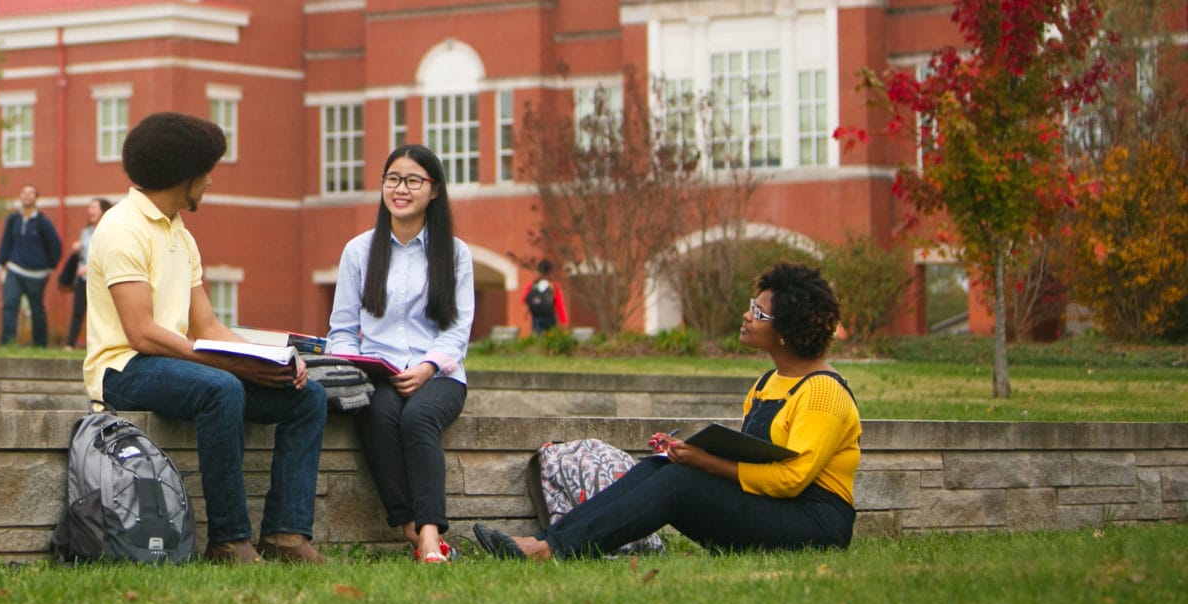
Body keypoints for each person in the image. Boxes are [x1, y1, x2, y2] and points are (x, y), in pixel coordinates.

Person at [473, 260, 860, 562]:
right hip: (772, 510)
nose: (746, 316)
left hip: (815, 524)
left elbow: (792, 479)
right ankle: (547, 542)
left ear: (788, 330)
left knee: (680, 481)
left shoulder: (823, 392)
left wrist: (704, 462)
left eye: (759, 314)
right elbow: (756, 458)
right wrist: (689, 454)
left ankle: (552, 550)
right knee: (661, 466)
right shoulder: (767, 382)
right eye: (750, 307)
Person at [86, 111, 327, 563]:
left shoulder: (181, 234)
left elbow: (209, 328)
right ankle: (229, 540)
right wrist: (226, 364)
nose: (211, 181)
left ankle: (285, 536)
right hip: (123, 369)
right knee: (222, 388)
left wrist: (273, 359)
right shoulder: (121, 229)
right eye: (206, 171)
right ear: (184, 175)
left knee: (307, 397)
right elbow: (141, 334)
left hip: (173, 362)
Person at [328, 145, 475, 564]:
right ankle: (413, 531)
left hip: (440, 374)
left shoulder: (455, 253)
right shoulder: (359, 251)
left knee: (418, 416)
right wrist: (352, 367)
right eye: (392, 179)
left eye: (413, 180)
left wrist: (428, 367)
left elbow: (456, 331)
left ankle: (429, 533)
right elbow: (341, 329)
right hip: (379, 373)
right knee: (377, 414)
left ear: (434, 191)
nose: (401, 189)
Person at [0, 183, 62, 346]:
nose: (27, 195)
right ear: (20, 196)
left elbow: (56, 246)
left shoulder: (42, 222)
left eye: (31, 193)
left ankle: (40, 344)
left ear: (36, 198)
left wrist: (49, 267)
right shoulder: (13, 220)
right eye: (24, 192)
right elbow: (6, 243)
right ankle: (7, 343)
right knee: (9, 304)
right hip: (14, 270)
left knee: (36, 309)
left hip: (36, 275)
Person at [60, 196, 112, 348]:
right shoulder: (86, 231)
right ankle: (70, 344)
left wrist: (89, 267)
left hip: (101, 279)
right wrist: (78, 247)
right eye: (89, 208)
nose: (90, 211)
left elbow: (107, 255)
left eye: (94, 208)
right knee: (78, 311)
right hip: (84, 280)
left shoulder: (109, 230)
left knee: (101, 313)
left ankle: (102, 344)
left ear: (103, 211)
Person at [522, 259, 568, 335]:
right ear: (549, 271)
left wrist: (536, 302)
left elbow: (524, 299)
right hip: (549, 317)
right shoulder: (553, 285)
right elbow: (559, 304)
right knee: (550, 340)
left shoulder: (532, 285)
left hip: (536, 317)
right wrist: (564, 321)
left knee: (537, 340)